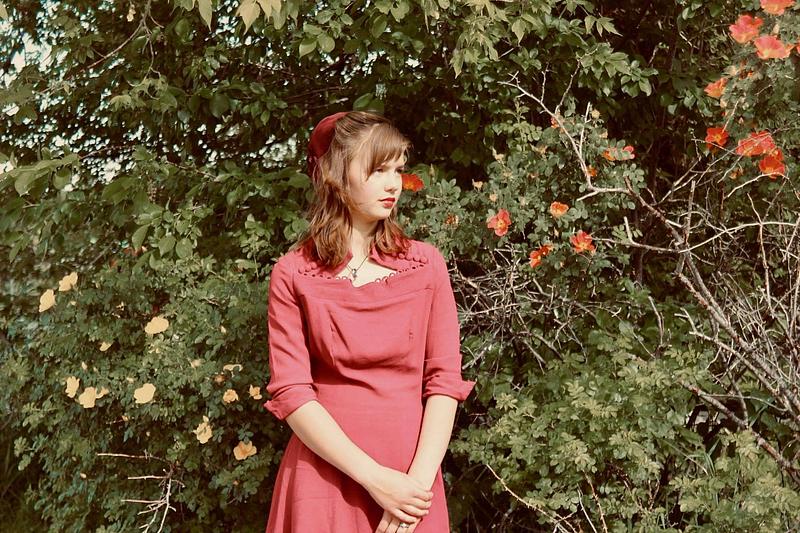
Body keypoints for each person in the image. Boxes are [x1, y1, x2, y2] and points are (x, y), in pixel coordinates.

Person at [263, 110, 476, 533]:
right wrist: (376, 480)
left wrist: (411, 493)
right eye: (378, 170)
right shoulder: (293, 273)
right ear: (335, 175)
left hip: (412, 480)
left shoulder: (426, 265)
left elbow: (444, 382)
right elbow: (292, 392)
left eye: (397, 169)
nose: (393, 183)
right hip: (325, 479)